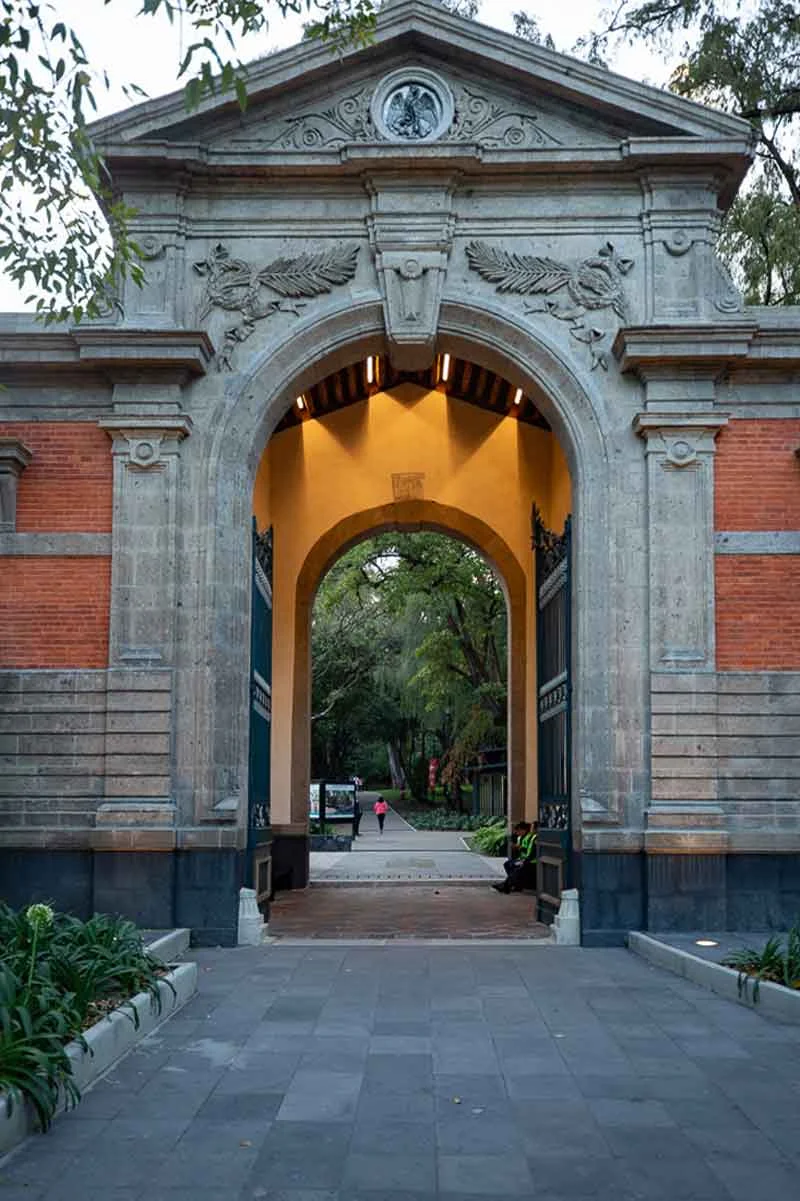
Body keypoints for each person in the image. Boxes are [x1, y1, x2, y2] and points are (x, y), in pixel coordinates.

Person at [493, 821, 537, 894]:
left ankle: (506, 886)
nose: (531, 829)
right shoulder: (525, 837)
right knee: (508, 864)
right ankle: (510, 885)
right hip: (524, 859)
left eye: (532, 827)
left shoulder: (533, 837)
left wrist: (523, 857)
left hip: (531, 862)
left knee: (516, 870)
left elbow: (533, 853)